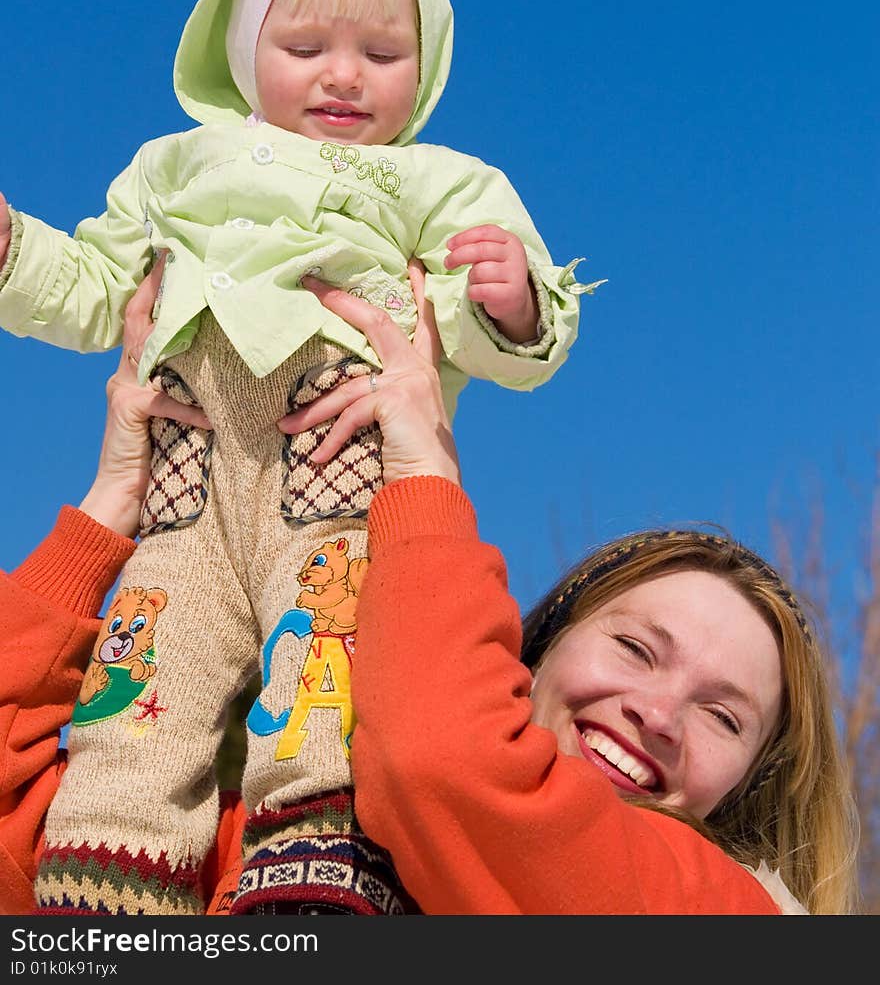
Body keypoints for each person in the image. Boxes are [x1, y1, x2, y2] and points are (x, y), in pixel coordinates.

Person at [0, 0, 601, 915]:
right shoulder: (175, 165)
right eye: (305, 44)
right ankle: (109, 869)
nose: (343, 75)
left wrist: (512, 303)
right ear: (244, 54)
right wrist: (15, 251)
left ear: (424, 69)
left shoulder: (435, 180)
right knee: (146, 668)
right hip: (182, 480)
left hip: (334, 462)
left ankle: (312, 859)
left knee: (324, 656)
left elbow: (478, 324)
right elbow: (99, 289)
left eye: (381, 55)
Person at [1, 266, 861, 915]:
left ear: (753, 781)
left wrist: (421, 475)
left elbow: (441, 760)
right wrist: (110, 507)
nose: (660, 716)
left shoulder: (716, 912)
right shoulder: (288, 853)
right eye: (636, 648)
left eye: (724, 715)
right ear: (533, 650)